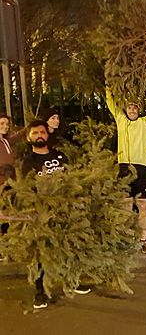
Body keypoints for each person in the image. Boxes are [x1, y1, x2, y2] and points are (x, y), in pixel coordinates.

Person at [21, 120, 91, 309]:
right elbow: (28, 188)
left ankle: (73, 281)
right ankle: (40, 292)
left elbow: (70, 178)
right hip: (42, 213)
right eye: (35, 133)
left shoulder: (59, 156)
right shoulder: (29, 162)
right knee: (41, 253)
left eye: (42, 132)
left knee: (69, 247)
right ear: (29, 137)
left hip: (65, 210)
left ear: (47, 134)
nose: (39, 135)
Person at [105, 72, 146, 254]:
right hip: (124, 167)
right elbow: (111, 103)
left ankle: (143, 239)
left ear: (138, 110)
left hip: (141, 168)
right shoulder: (120, 120)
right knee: (125, 205)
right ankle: (127, 238)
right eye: (129, 108)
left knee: (142, 204)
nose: (132, 110)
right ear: (126, 109)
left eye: (134, 108)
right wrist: (108, 85)